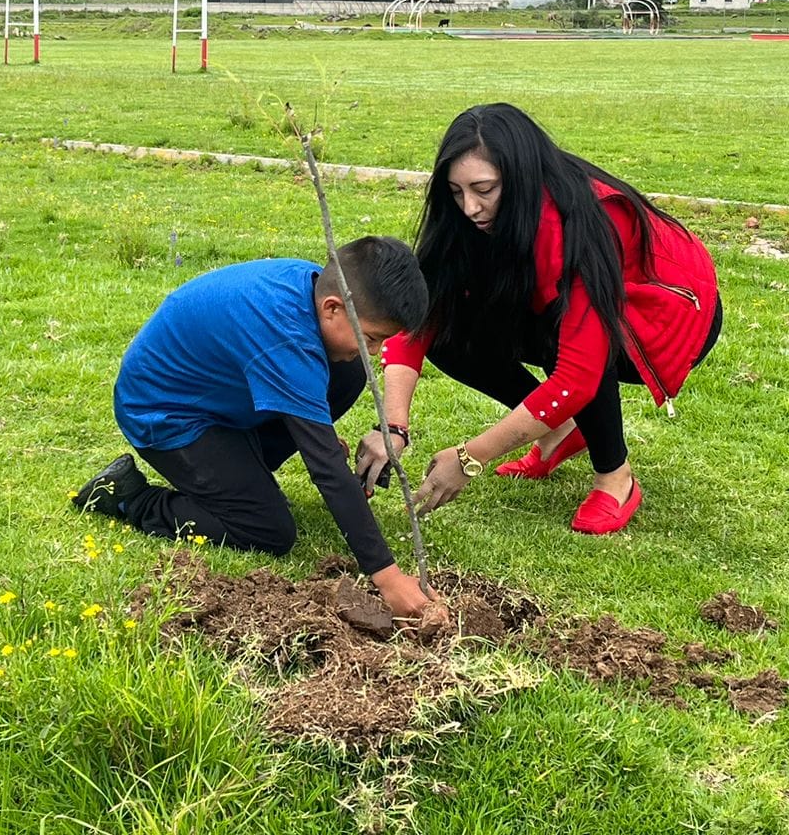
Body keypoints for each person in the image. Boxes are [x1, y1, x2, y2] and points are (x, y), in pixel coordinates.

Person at [353, 104, 722, 534]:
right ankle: (562, 431)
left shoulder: (584, 223)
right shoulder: (468, 216)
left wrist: (471, 457)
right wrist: (393, 428)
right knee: (450, 329)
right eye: (456, 192)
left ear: (522, 178)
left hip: (666, 317)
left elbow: (578, 376)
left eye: (484, 189)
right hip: (556, 306)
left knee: (564, 341)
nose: (469, 207)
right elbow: (422, 321)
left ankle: (615, 478)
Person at [73, 236, 435, 620]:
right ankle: (126, 495)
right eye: (372, 337)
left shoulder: (313, 289)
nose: (378, 350)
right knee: (267, 529)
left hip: (219, 395)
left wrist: (317, 436)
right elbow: (326, 469)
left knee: (348, 369)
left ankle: (240, 479)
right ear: (333, 307)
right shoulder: (285, 337)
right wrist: (388, 577)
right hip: (164, 413)